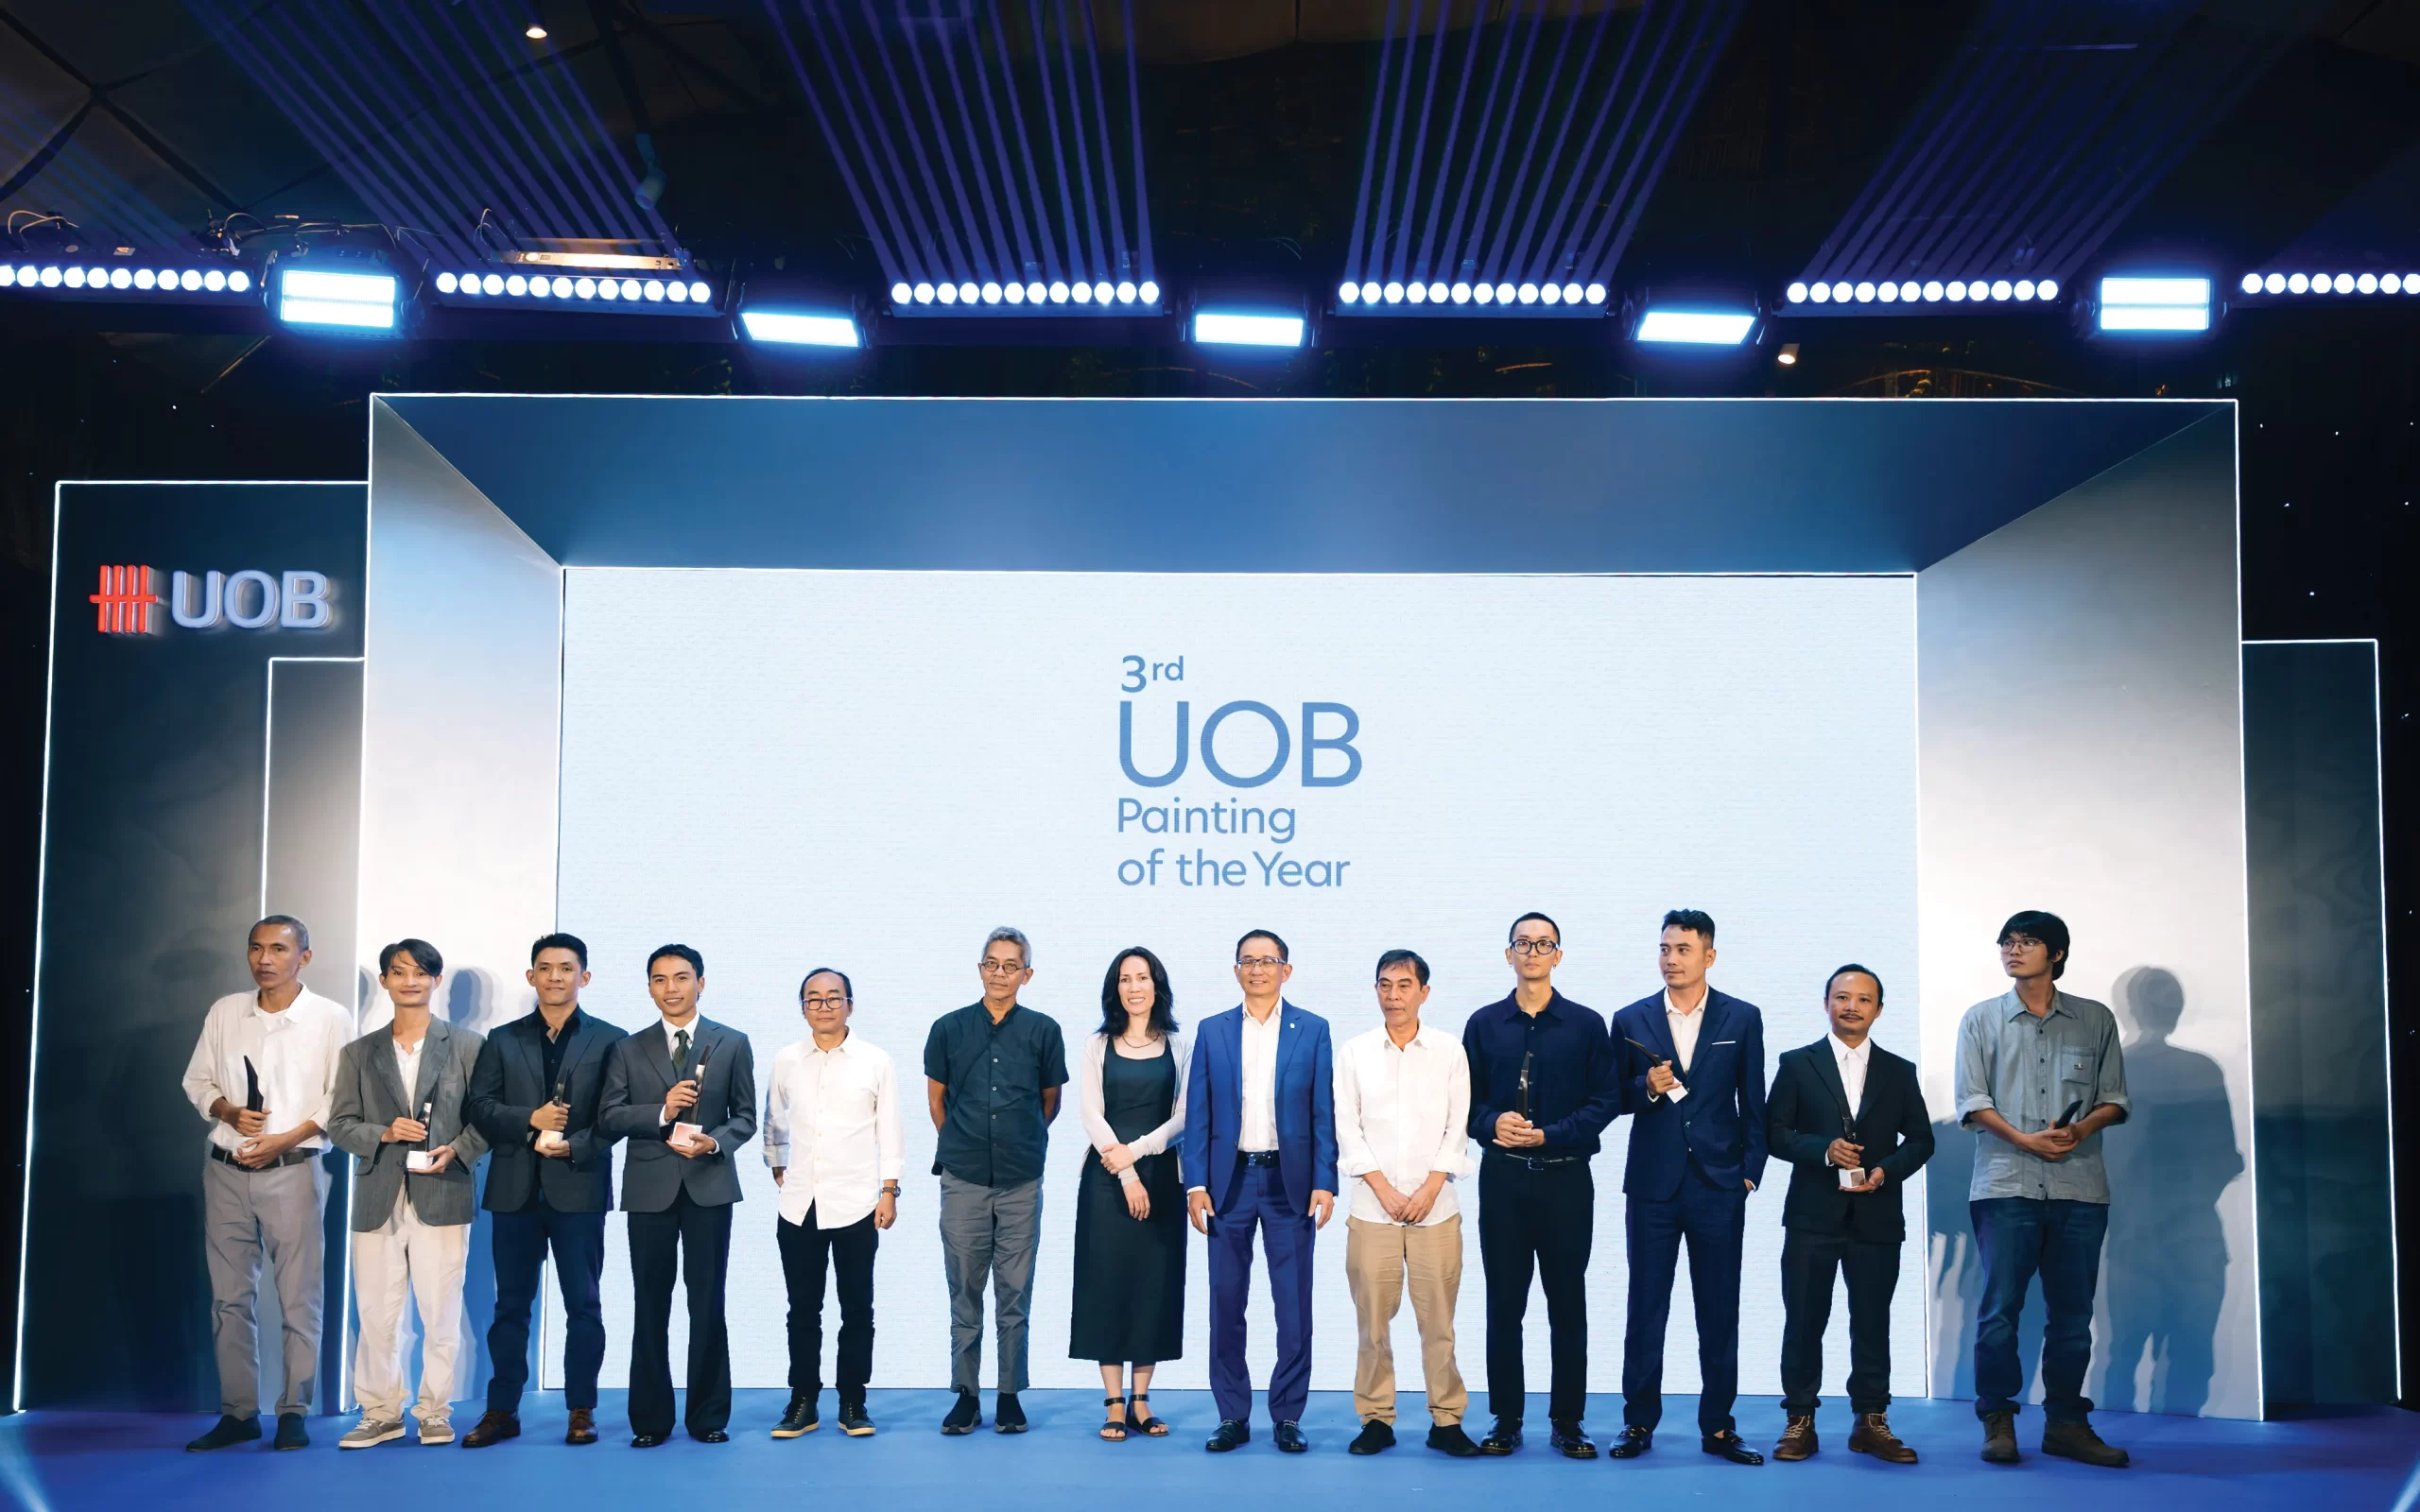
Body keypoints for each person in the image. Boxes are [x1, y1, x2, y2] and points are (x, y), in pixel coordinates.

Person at [1954, 910, 2132, 1468]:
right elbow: (1972, 1101)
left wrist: (2080, 1130)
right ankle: (1998, 1421)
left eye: (2027, 941)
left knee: (2073, 1317)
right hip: (2005, 1184)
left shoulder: (2094, 1019)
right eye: (2006, 942)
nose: (2013, 950)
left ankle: (2067, 1425)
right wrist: (2025, 1140)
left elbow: (2114, 1098)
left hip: (2079, 1188)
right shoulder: (1981, 1019)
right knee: (1999, 1312)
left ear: (2056, 953)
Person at [180, 915, 352, 1452]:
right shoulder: (226, 1011)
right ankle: (239, 1413)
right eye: (256, 948)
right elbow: (197, 1079)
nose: (265, 959)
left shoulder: (330, 1017)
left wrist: (286, 1139)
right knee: (229, 1298)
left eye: (278, 949)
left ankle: (294, 1411)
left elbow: (340, 1098)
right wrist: (227, 1110)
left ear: (304, 957)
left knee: (300, 1297)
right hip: (224, 1171)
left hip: (292, 1169)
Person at [1610, 908, 1768, 1466]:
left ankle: (1718, 1426)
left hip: (1719, 1184)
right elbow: (1612, 1097)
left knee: (1719, 1309)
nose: (1671, 959)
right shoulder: (1629, 1018)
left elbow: (1754, 1101)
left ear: (1709, 955)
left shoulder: (1742, 1017)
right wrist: (1646, 1087)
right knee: (1645, 1307)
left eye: (1682, 949)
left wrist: (1750, 1171)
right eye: (1664, 949)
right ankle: (1638, 1422)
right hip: (1652, 1185)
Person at [1461, 911, 1620, 1457]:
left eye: (1543, 943)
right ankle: (1505, 1418)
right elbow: (1464, 1103)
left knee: (1567, 1303)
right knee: (1504, 1305)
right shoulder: (1484, 1024)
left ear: (1559, 955)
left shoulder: (1586, 1025)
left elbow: (1606, 1101)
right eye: (1522, 943)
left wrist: (1551, 1134)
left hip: (1566, 1181)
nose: (1532, 952)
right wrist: (1491, 1123)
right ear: (1508, 954)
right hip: (1502, 1181)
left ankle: (1568, 1421)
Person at [462, 933, 629, 1448]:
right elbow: (478, 1107)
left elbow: (615, 1115)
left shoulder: (611, 1039)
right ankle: (502, 1410)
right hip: (514, 1190)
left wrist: (577, 1146)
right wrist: (529, 1122)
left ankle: (581, 1409)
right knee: (510, 1308)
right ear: (530, 975)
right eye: (545, 967)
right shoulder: (502, 1038)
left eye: (566, 968)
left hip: (579, 1187)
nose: (555, 976)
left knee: (584, 1305)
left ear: (585, 976)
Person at [1765, 964, 1932, 1465]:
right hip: (1812, 1217)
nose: (1851, 1006)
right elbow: (1774, 1133)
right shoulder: (1798, 1063)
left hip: (1877, 1216)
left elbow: (1921, 1139)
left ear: (1878, 1009)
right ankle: (1800, 1420)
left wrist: (1886, 1170)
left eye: (1863, 999)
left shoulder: (1899, 1070)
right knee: (1803, 1322)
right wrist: (1822, 1150)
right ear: (1826, 1004)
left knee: (1873, 1323)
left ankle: (1871, 1421)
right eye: (1841, 997)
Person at [327, 938, 490, 1449]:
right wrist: (383, 1133)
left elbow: (486, 1119)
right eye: (399, 972)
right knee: (376, 1314)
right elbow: (339, 1124)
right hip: (378, 1196)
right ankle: (380, 1413)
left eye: (421, 972)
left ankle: (435, 1411)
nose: (410, 981)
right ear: (384, 981)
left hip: (443, 1190)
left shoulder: (467, 1046)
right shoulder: (359, 1052)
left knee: (440, 1313)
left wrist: (457, 1150)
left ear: (436, 981)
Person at [1184, 929, 1339, 1455]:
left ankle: (1288, 1416)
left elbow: (1322, 1113)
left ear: (1285, 970)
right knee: (1226, 1302)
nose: (1257, 970)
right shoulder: (1213, 1030)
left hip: (1288, 1183)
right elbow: (1199, 1114)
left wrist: (1324, 1180)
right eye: (1247, 961)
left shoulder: (1312, 1029)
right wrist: (1196, 1184)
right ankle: (1232, 1414)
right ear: (1236, 971)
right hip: (1227, 1183)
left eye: (1267, 961)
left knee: (1293, 1306)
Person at [598, 943, 757, 1448]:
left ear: (701, 984)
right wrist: (662, 1111)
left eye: (682, 977)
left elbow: (745, 1117)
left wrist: (716, 1142)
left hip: (709, 1185)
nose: (671, 988)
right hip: (649, 1189)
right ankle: (650, 1420)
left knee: (708, 1301)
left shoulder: (732, 1042)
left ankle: (708, 1416)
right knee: (650, 1302)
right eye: (660, 979)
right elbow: (610, 1116)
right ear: (649, 987)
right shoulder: (628, 1047)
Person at [925, 926, 1067, 1435]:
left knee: (1014, 1290)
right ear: (980, 969)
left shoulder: (1044, 1030)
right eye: (992, 963)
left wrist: (1019, 1141)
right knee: (963, 1289)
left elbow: (1049, 1103)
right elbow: (937, 1101)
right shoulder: (948, 1028)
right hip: (963, 1177)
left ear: (1027, 974)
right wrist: (963, 1144)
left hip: (1020, 1178)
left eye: (1011, 965)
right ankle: (966, 1394)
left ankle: (1009, 1394)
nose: (1000, 973)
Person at [1336, 950, 1478, 1458]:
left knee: (1438, 1322)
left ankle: (1447, 1420)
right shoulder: (1355, 1052)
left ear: (1424, 992)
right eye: (1384, 985)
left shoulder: (1449, 1050)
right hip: (1372, 1208)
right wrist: (1384, 1189)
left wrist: (1431, 1187)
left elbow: (1458, 1125)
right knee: (1372, 1323)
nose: (1393, 995)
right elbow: (1347, 1128)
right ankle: (1376, 1418)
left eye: (1403, 985)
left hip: (1435, 1209)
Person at [765, 968, 901, 1440]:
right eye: (813, 999)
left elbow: (890, 1129)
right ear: (803, 1007)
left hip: (857, 1202)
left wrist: (889, 1189)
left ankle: (853, 1401)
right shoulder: (787, 1059)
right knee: (802, 1309)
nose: (823, 1006)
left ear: (850, 1004)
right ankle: (803, 1401)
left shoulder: (875, 1061)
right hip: (799, 1205)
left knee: (857, 1308)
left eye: (833, 997)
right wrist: (778, 1166)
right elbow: (774, 1122)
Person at [1071, 947, 1191, 1441]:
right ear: (1115, 989)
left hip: (1162, 1177)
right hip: (1106, 1180)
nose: (1134, 987)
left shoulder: (1180, 1045)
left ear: (1156, 986)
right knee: (1108, 1284)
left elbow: (1184, 1116)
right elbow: (1090, 1114)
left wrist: (1137, 1153)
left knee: (1152, 1286)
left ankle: (1142, 1401)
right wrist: (1125, 1172)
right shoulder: (1096, 1044)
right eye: (1125, 979)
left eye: (1142, 978)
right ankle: (1114, 1402)